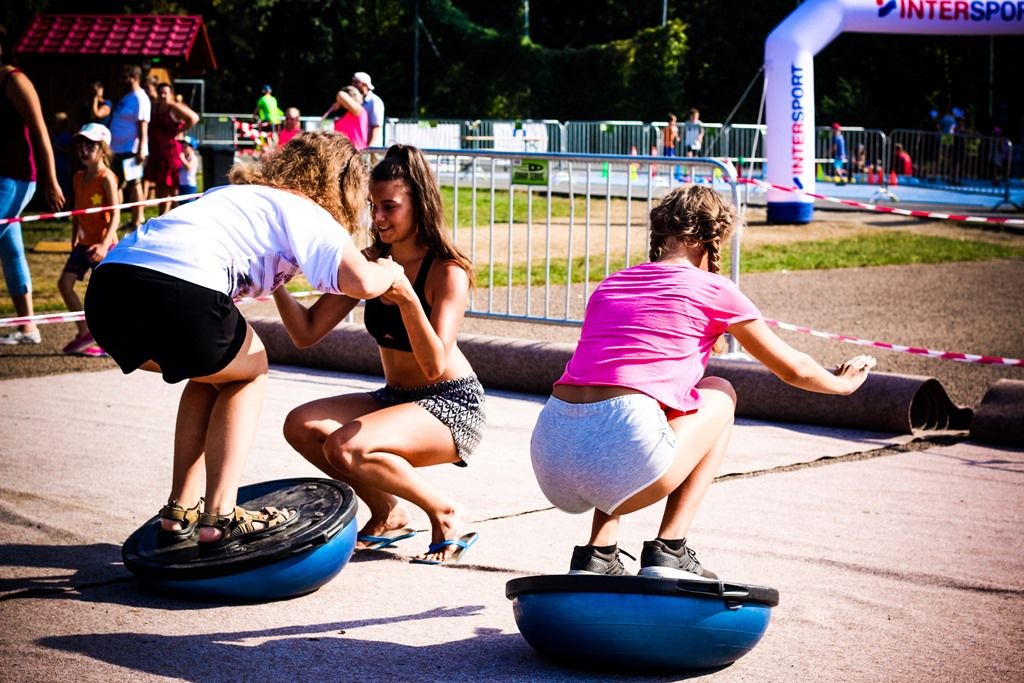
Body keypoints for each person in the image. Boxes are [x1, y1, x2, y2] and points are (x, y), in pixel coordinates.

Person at [529, 184, 877, 578]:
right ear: (714, 239)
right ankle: (670, 548)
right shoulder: (715, 289)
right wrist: (842, 385)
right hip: (622, 445)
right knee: (718, 393)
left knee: (635, 409)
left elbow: (614, 382)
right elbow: (791, 368)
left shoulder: (611, 284)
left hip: (550, 449)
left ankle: (597, 553)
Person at [83, 132, 403, 548]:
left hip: (108, 293)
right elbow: (362, 282)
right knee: (252, 371)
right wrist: (391, 273)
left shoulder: (239, 197)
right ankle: (220, 514)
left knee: (212, 373)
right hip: (175, 289)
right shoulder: (304, 211)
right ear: (343, 185)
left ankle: (180, 509)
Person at [281, 144, 485, 565]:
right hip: (396, 398)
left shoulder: (448, 271)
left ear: (419, 203)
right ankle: (389, 512)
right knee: (301, 425)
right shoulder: (372, 261)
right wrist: (274, 280)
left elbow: (433, 364)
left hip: (451, 405)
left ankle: (446, 513)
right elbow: (306, 332)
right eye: (372, 206)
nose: (377, 218)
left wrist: (407, 297)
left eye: (389, 207)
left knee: (346, 447)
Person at [0, 24, 65, 345]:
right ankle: (28, 327)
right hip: (3, 177)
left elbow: (40, 132)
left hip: (17, 178)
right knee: (11, 250)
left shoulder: (15, 80)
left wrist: (51, 181)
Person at [59, 123, 119, 357]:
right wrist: (74, 239)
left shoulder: (107, 178)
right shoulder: (78, 177)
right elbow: (77, 211)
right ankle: (85, 331)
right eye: (80, 145)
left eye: (90, 145)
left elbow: (116, 213)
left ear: (102, 149)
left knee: (101, 296)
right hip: (83, 245)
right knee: (64, 284)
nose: (83, 149)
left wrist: (105, 245)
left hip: (104, 245)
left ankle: (107, 340)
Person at [144, 82, 199, 215]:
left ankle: (174, 215)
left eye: (165, 93)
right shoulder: (154, 107)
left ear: (171, 94)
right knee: (160, 187)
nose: (163, 95)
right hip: (156, 152)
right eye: (160, 92)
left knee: (171, 188)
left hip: (170, 152)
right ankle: (162, 216)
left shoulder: (174, 108)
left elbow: (194, 118)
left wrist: (180, 130)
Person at [109, 64, 150, 230]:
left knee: (134, 183)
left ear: (134, 78)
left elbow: (143, 126)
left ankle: (137, 219)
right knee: (116, 184)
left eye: (124, 78)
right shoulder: (128, 97)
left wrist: (141, 149)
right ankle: (115, 220)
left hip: (132, 150)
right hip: (118, 149)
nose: (121, 81)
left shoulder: (140, 98)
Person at [321, 85, 367, 150]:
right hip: (342, 152)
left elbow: (340, 94)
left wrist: (339, 102)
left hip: (356, 152)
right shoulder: (342, 114)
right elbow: (323, 123)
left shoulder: (359, 110)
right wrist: (332, 108)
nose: (361, 96)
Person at [352, 71, 385, 149]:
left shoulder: (375, 101)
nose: (353, 85)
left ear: (365, 84)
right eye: (353, 82)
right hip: (360, 148)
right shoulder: (357, 101)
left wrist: (368, 148)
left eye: (356, 82)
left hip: (372, 149)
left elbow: (376, 126)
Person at [177, 135, 199, 202]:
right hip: (181, 185)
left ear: (192, 148)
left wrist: (182, 158)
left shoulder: (193, 158)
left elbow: (188, 167)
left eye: (185, 147)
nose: (183, 149)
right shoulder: (185, 158)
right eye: (182, 147)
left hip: (189, 186)